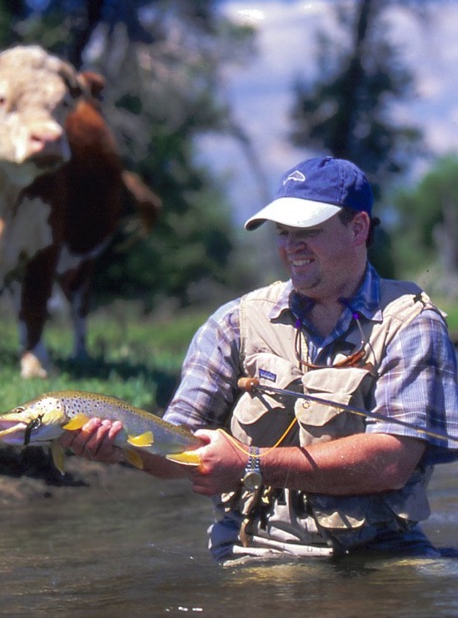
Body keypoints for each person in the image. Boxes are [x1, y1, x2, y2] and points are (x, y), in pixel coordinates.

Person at [62, 156, 458, 562]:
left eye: (307, 230)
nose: (291, 246)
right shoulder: (234, 323)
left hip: (383, 554)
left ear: (357, 228)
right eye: (283, 232)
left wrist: (252, 463)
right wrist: (119, 449)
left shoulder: (411, 323)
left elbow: (392, 461)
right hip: (256, 553)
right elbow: (175, 446)